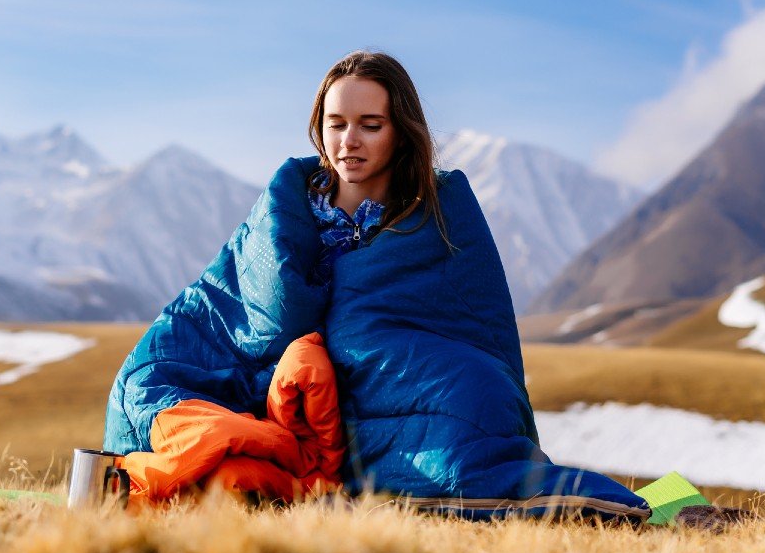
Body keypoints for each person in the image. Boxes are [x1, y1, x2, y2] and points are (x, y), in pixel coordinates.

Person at [104, 50, 650, 520]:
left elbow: (470, 323)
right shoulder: (285, 205)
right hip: (265, 379)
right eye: (336, 123)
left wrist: (348, 339)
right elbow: (241, 303)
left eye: (370, 124)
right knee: (152, 385)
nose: (349, 141)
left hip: (373, 382)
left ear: (399, 132)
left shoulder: (439, 212)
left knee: (472, 396)